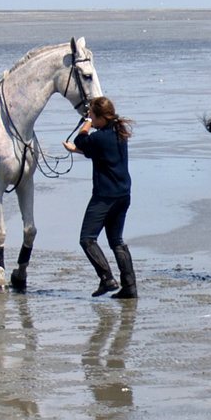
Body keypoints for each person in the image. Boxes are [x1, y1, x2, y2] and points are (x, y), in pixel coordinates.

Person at [64, 96, 136, 299]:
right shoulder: (118, 133)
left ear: (101, 118)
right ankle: (129, 287)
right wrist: (77, 150)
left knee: (87, 239)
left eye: (94, 118)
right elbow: (96, 151)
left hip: (105, 196)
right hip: (123, 194)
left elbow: (82, 140)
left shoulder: (100, 137)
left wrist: (85, 122)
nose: (92, 122)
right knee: (116, 240)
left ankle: (107, 278)